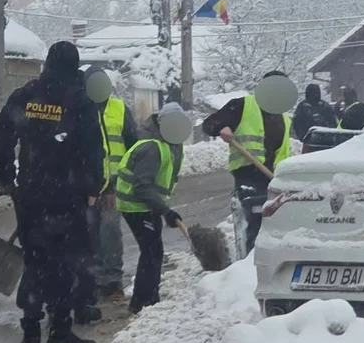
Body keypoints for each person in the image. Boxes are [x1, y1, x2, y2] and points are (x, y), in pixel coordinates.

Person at [0, 41, 105, 343]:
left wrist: (6, 176)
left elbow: (1, 136)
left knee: (36, 258)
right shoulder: (81, 101)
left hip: (30, 192)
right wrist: (94, 187)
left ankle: (30, 329)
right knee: (66, 262)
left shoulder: (26, 96)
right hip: (69, 195)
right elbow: (93, 149)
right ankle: (59, 330)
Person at [202, 71, 293, 256]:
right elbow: (209, 124)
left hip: (275, 180)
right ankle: (251, 265)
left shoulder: (285, 118)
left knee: (276, 223)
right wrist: (222, 127)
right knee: (256, 221)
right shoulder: (243, 105)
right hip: (248, 176)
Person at [116, 102, 187, 314]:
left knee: (152, 251)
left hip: (144, 204)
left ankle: (145, 299)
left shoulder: (167, 142)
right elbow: (141, 186)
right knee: (151, 252)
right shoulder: (152, 147)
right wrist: (166, 211)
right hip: (136, 205)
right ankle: (144, 302)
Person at [84, 65, 138, 302]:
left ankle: (112, 280)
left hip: (114, 184)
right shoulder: (79, 110)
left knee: (110, 230)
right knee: (88, 232)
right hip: (87, 186)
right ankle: (92, 279)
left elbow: (132, 146)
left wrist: (122, 184)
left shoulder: (119, 109)